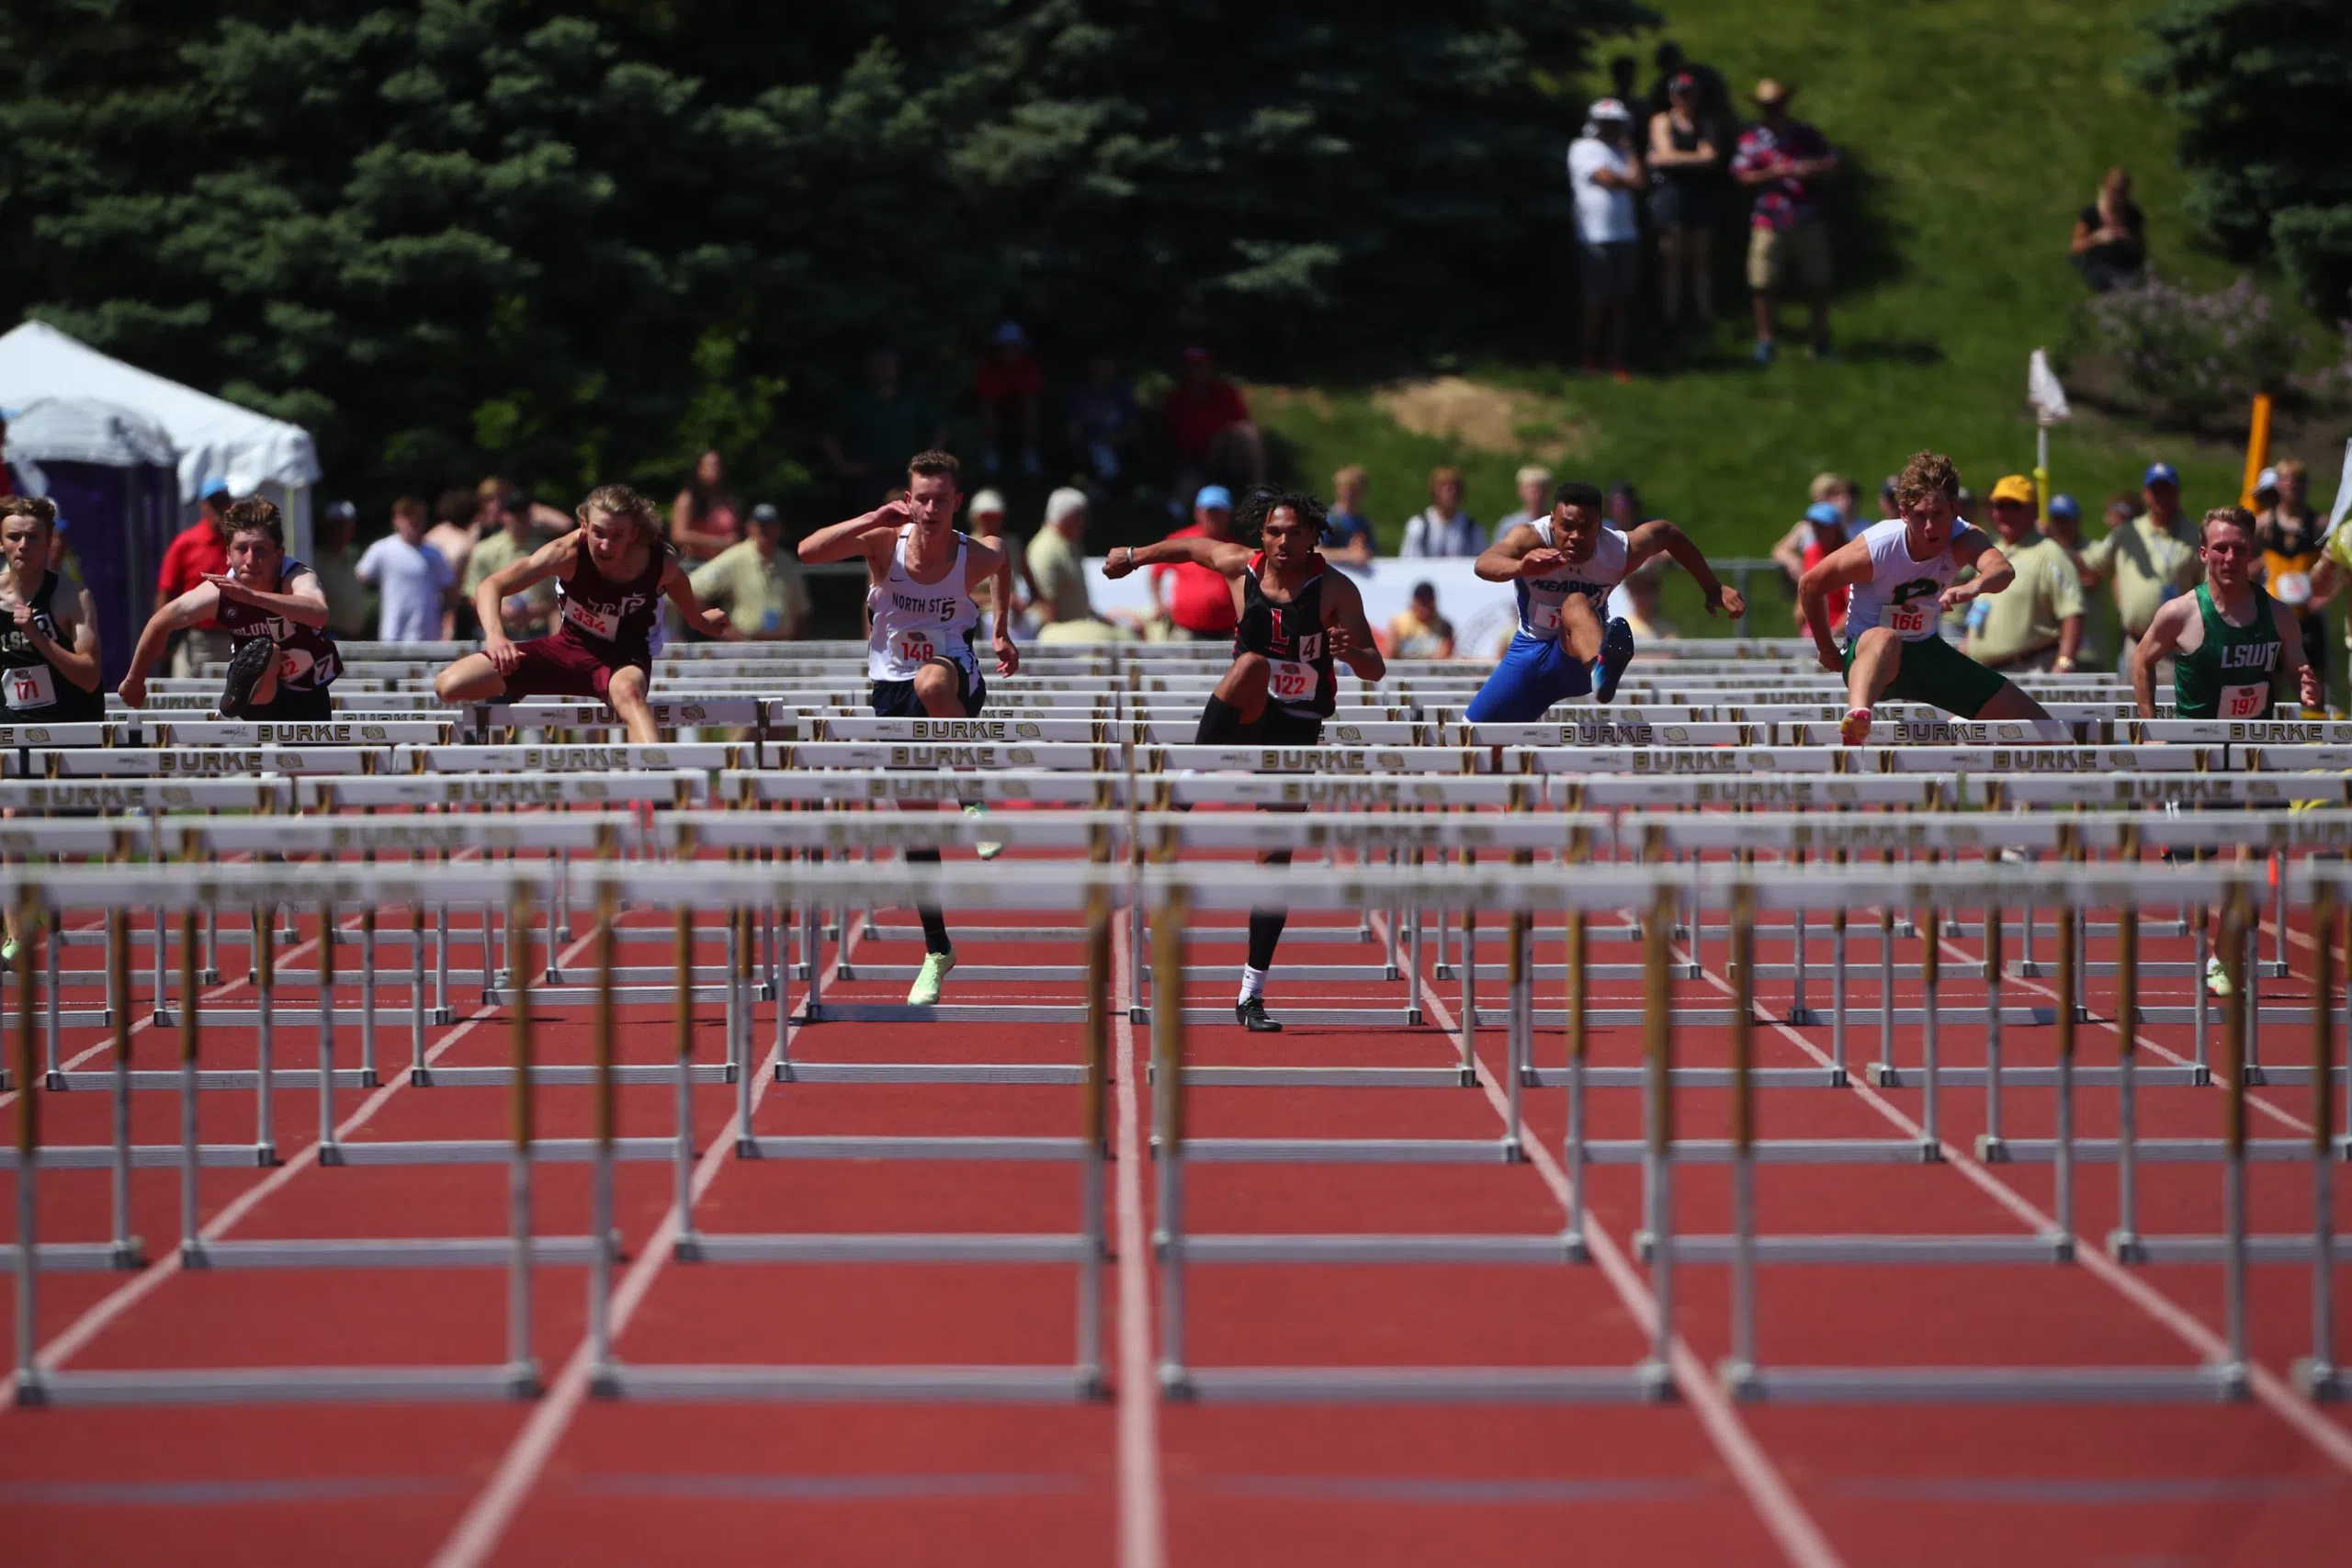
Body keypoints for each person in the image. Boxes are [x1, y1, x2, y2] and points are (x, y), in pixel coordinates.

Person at [1102, 489, 1385, 1031]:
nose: (1284, 542)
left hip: (1297, 728)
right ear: (1262, 536)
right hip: (1248, 709)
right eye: (1275, 532)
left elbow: (1374, 668)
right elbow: (1190, 550)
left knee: (1273, 865)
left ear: (1312, 538)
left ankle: (1251, 992)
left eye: (1295, 533)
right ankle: (1179, 796)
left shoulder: (1335, 589)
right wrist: (1132, 555)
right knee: (1252, 664)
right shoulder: (1241, 569)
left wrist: (1349, 651)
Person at [798, 451, 1021, 1007]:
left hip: (952, 677)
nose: (929, 509)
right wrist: (871, 519)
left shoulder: (974, 554)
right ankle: (937, 948)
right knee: (917, 824)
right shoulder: (883, 543)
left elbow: (1005, 564)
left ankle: (973, 797)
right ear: (908, 496)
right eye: (921, 498)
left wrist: (1000, 632)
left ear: (956, 503)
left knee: (932, 682)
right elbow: (807, 551)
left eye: (940, 500)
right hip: (888, 686)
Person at [433, 483, 734, 743]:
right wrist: (496, 636)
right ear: (584, 525)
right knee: (449, 686)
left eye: (617, 536)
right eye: (599, 533)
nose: (605, 545)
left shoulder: (658, 561)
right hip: (566, 650)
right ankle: (514, 689)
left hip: (622, 658)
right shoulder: (566, 552)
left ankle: (661, 794)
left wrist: (699, 619)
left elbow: (679, 584)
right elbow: (491, 585)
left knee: (629, 693)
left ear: (633, 534)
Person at [1800, 452, 2058, 745]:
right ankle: (1858, 715)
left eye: (1938, 515)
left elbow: (2001, 570)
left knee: (2043, 731)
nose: (1930, 528)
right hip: (1872, 659)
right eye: (1920, 516)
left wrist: (1973, 586)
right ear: (1903, 514)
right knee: (1887, 637)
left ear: (1954, 509)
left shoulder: (1964, 538)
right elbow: (1810, 585)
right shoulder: (1878, 548)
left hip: (1926, 651)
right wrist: (1826, 650)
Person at [1465, 479, 1745, 721]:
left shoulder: (1617, 550)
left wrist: (1712, 587)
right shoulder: (1531, 538)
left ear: (1600, 525)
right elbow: (1485, 563)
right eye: (1567, 527)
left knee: (1574, 602)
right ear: (1552, 520)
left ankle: (1602, 670)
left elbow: (1667, 533)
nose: (1575, 536)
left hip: (1578, 658)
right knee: (1474, 738)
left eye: (1585, 528)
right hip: (1529, 651)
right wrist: (1522, 567)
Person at [121, 498, 341, 720]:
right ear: (228, 554)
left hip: (308, 689)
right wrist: (134, 680)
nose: (250, 560)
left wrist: (254, 598)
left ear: (279, 554)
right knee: (269, 652)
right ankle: (245, 694)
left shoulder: (296, 576)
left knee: (313, 752)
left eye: (260, 550)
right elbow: (162, 620)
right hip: (259, 695)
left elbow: (318, 613)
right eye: (241, 549)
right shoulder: (220, 592)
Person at [2135, 504, 2316, 721]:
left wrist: (2307, 689)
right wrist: (2149, 728)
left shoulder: (2279, 615)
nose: (2230, 558)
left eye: (2238, 549)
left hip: (2255, 749)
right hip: (2195, 748)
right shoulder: (2180, 613)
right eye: (2221, 548)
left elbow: (2300, 676)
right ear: (2203, 554)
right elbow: (2141, 660)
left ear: (2250, 551)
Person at [1731, 79, 1838, 365]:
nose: (1773, 110)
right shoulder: (1751, 140)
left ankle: (1820, 339)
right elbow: (1742, 176)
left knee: (1818, 280)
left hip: (1806, 214)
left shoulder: (1805, 134)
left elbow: (1832, 162)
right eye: (1768, 106)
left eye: (1777, 105)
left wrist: (1807, 168)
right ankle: (1765, 340)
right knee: (1763, 282)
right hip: (1769, 217)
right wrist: (1774, 173)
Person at [2082, 462, 2200, 679]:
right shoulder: (2128, 533)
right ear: (2146, 494)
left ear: (2177, 492)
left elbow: (2208, 588)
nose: (2160, 496)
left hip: (2177, 649)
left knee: (2176, 709)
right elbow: (2092, 563)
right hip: (2136, 642)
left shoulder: (2195, 535)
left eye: (2166, 489)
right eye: (2155, 490)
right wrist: (2054, 541)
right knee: (2131, 709)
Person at [1962, 474, 2086, 675]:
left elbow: (2072, 612)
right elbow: (1981, 611)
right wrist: (1967, 648)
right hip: (1984, 671)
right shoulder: (1991, 552)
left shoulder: (2049, 553)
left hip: (2028, 669)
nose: (2006, 513)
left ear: (2034, 510)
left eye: (2015, 506)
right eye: (2000, 506)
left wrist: (2064, 663)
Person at [0, 495, 104, 722]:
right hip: (9, 736)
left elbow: (90, 678)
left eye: (33, 538)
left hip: (67, 732)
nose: (23, 546)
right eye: (14, 537)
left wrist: (38, 637)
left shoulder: (73, 597)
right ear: (1, 543)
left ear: (49, 542)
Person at [1568, 98, 1644, 381]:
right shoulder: (1582, 148)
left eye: (1617, 122)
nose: (1612, 127)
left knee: (1621, 301)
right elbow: (1606, 179)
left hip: (1626, 234)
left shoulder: (1623, 151)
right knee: (1596, 301)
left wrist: (1629, 154)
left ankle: (1616, 360)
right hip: (1595, 235)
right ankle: (1589, 358)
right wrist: (1626, 178)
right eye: (1607, 122)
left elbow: (1639, 181)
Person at [825, 349, 947, 513]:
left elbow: (939, 431)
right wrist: (843, 466)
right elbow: (830, 436)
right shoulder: (856, 402)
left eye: (889, 366)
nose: (884, 370)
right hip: (867, 477)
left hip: (906, 473)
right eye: (879, 366)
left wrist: (928, 464)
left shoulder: (912, 400)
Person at [1649, 73, 1722, 344]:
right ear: (1672, 96)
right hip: (1672, 195)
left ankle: (1703, 314)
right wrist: (1692, 159)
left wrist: (1671, 159)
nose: (1686, 98)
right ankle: (1671, 316)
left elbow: (1709, 157)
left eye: (1690, 93)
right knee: (1673, 258)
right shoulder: (1661, 121)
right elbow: (1666, 154)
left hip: (1698, 194)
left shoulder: (1705, 124)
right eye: (1681, 93)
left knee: (1701, 258)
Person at [2255, 459, 2325, 707]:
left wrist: (2324, 597)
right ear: (2279, 485)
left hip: (2307, 617)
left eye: (2299, 481)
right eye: (2287, 481)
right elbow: (2245, 563)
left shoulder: (2319, 524)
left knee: (2314, 682)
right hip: (2273, 615)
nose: (2293, 487)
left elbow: (2337, 569)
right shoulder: (2264, 523)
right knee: (2268, 685)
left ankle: (2315, 740)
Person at [691, 502, 812, 641]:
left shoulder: (787, 561)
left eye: (770, 525)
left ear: (779, 528)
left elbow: (801, 610)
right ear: (750, 527)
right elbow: (693, 590)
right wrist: (722, 630)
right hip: (744, 646)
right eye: (760, 525)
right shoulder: (735, 557)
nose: (765, 531)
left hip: (783, 644)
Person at [155, 477, 235, 678]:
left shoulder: (240, 542)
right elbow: (166, 590)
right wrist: (161, 635)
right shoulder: (186, 543)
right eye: (214, 503)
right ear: (203, 506)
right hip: (196, 638)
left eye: (224, 502)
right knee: (188, 698)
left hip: (235, 637)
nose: (220, 509)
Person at [1163, 347, 1265, 497]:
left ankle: (1259, 489)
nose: (1196, 373)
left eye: (1200, 367)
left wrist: (1224, 435)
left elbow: (1242, 422)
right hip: (1194, 458)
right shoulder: (1176, 398)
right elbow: (1177, 437)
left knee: (1249, 432)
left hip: (1229, 452)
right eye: (1191, 368)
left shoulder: (1225, 392)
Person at [356, 496, 458, 643]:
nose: (412, 523)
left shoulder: (435, 554)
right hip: (392, 634)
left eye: (417, 518)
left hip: (428, 636)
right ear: (396, 521)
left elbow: (450, 595)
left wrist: (448, 630)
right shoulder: (382, 549)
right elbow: (359, 580)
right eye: (407, 518)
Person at [463, 488, 560, 639]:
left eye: (524, 513)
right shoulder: (485, 550)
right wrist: (500, 611)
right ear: (503, 516)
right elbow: (472, 595)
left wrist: (534, 611)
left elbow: (558, 597)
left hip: (539, 631)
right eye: (514, 513)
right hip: (498, 632)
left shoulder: (546, 550)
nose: (519, 518)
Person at [1152, 486, 1243, 640]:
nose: (1214, 516)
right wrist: (1159, 603)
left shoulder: (1236, 547)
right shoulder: (1179, 541)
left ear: (1228, 514)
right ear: (1198, 512)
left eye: (1219, 511)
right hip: (1185, 630)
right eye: (1210, 511)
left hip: (1228, 631)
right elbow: (1156, 572)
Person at [1026, 486, 1116, 641]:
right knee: (1122, 639)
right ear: (1070, 517)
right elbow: (1047, 607)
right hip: (1062, 634)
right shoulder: (1046, 549)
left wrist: (1103, 619)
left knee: (1125, 633)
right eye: (1081, 517)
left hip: (1077, 627)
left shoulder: (1068, 545)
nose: (1084, 524)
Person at [975, 321, 1044, 478]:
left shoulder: (1028, 366)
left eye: (1013, 347)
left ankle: (1030, 454)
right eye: (1004, 347)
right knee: (988, 406)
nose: (1008, 352)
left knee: (1030, 406)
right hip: (997, 412)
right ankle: (991, 454)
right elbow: (987, 394)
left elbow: (1031, 392)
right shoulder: (988, 366)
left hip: (1020, 414)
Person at [2070, 166, 2146, 293]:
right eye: (2114, 192)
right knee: (2113, 280)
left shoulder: (2133, 214)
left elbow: (2142, 250)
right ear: (2105, 190)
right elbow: (2075, 247)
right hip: (2097, 261)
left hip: (2124, 262)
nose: (2117, 198)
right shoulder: (2090, 214)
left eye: (2122, 193)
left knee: (2131, 280)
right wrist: (2096, 238)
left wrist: (2128, 239)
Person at [1068, 354, 1139, 487]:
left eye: (1108, 363)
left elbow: (1133, 430)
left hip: (1117, 446)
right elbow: (1073, 429)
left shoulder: (1123, 392)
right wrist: (1080, 446)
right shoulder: (1080, 393)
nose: (1104, 368)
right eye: (1100, 363)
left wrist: (1114, 440)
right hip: (1089, 448)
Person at [311, 500, 373, 640]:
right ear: (328, 527)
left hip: (354, 637)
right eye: (338, 526)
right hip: (328, 636)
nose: (343, 532)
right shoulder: (315, 561)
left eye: (347, 526)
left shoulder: (352, 560)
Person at [671, 448, 742, 562]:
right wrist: (719, 542)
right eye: (711, 465)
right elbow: (678, 535)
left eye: (718, 465)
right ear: (699, 469)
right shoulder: (688, 499)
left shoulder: (727, 500)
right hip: (697, 562)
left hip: (726, 562)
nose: (715, 470)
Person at [1399, 467, 1481, 558]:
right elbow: (1408, 563)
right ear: (1433, 491)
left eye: (1454, 487)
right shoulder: (1418, 526)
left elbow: (1481, 562)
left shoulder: (1472, 528)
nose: (1450, 492)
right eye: (1443, 486)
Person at [1322, 466, 1378, 565]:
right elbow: (1315, 552)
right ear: (1338, 490)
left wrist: (1365, 553)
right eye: (1347, 489)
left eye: (1356, 490)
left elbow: (1372, 551)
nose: (1350, 494)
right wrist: (1346, 555)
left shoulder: (1364, 523)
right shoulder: (1329, 520)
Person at [1385, 582, 1455, 659]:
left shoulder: (1444, 626)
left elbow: (1443, 656)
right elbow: (1389, 655)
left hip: (1430, 669)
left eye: (1427, 602)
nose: (1424, 608)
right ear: (1413, 602)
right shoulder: (1397, 623)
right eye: (1421, 602)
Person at [1493, 466, 1555, 541]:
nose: (1537, 493)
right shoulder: (1508, 525)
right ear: (1520, 491)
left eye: (1541, 487)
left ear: (1548, 491)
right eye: (1530, 488)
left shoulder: (1556, 524)